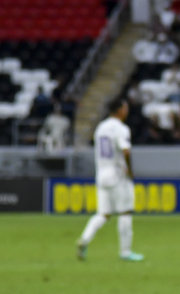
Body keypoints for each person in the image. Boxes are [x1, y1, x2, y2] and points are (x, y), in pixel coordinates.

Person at [76, 99, 144, 262]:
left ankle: (84, 240)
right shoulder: (121, 129)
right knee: (125, 212)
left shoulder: (101, 127)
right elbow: (126, 151)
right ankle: (125, 252)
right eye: (125, 108)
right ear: (119, 110)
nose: (127, 111)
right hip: (117, 174)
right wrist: (130, 171)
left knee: (103, 214)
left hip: (101, 174)